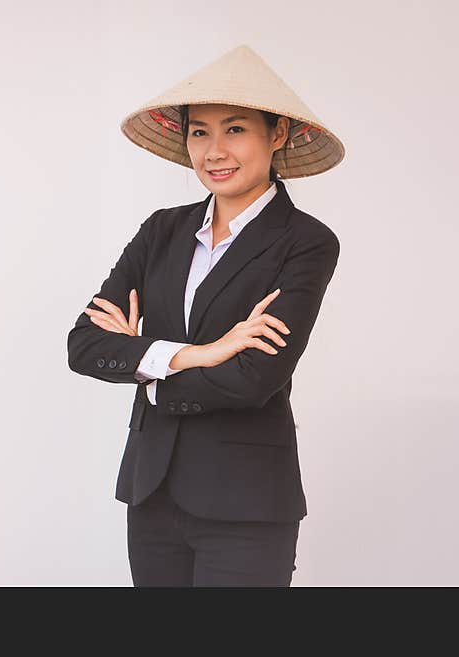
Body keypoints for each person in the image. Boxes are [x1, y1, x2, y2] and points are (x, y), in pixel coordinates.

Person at [66, 44, 344, 586]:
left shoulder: (305, 243)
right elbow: (84, 345)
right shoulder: (160, 231)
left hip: (246, 503)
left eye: (235, 129)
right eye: (199, 132)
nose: (214, 150)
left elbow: (254, 379)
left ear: (278, 133)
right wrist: (202, 353)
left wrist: (148, 370)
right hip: (150, 493)